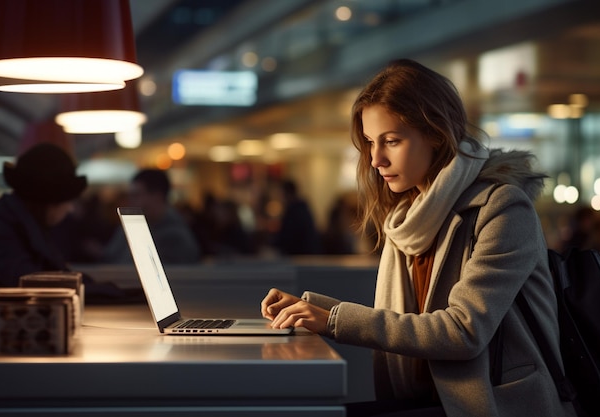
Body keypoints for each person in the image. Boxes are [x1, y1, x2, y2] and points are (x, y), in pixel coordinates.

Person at [261, 59, 575, 417]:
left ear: (436, 134)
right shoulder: (406, 217)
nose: (376, 159)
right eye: (369, 142)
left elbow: (463, 331)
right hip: (425, 400)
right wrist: (312, 309)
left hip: (494, 405)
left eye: (391, 141)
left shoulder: (503, 208)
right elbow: (398, 321)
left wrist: (333, 318)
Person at [0, 143, 87, 325]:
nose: (69, 209)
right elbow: (35, 285)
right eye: (66, 200)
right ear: (50, 200)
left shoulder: (14, 223)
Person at [102, 168, 201, 264]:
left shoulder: (175, 238)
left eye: (136, 195)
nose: (130, 201)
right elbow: (110, 258)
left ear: (157, 196)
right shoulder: (131, 226)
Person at [273, 179, 321, 255]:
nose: (280, 198)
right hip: (306, 256)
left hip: (301, 258)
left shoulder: (294, 212)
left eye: (280, 194)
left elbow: (288, 238)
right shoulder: (302, 208)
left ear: (287, 194)